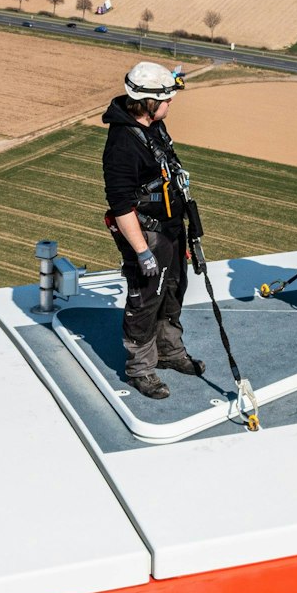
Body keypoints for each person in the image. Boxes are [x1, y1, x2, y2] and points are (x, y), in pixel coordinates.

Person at [102, 62, 205, 400]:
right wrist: (142, 252)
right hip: (146, 234)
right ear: (147, 102)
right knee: (145, 301)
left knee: (173, 291)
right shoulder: (122, 143)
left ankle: (170, 352)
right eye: (166, 99)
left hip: (171, 228)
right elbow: (120, 206)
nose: (171, 104)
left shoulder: (152, 126)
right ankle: (141, 370)